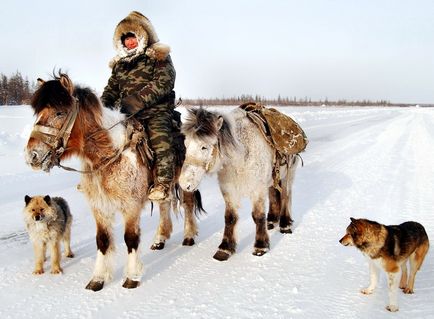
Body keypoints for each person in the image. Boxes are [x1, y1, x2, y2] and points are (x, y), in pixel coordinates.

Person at [101, 11, 176, 201]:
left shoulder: (158, 56)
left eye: (133, 37)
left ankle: (163, 183)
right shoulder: (120, 65)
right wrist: (101, 108)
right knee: (104, 139)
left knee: (161, 140)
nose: (129, 42)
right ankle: (101, 177)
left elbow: (163, 83)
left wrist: (135, 102)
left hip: (155, 111)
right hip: (126, 113)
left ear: (142, 37)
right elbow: (112, 89)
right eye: (125, 39)